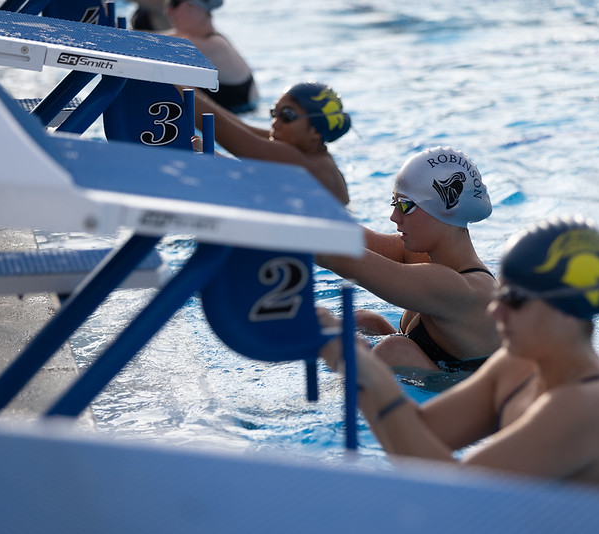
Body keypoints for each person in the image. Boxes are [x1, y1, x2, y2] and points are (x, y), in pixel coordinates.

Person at [319, 216, 599, 533]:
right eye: (501, 292)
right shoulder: (517, 364)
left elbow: (451, 500)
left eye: (515, 299)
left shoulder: (586, 407)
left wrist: (369, 375)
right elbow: (420, 437)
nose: (495, 309)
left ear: (566, 312)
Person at [317, 146, 498, 372]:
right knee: (363, 321)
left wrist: (279, 233)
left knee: (395, 349)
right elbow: (349, 237)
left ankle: (328, 399)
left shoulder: (463, 289)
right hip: (436, 371)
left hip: (463, 398)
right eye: (394, 204)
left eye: (404, 205)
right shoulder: (424, 258)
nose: (394, 217)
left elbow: (338, 257)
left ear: (445, 207)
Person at [193, 81, 352, 205]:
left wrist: (175, 86)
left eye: (287, 116)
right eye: (274, 113)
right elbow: (243, 129)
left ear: (316, 131)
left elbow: (225, 130)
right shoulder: (309, 152)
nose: (275, 123)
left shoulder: (307, 165)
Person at [162, 0, 259, 114]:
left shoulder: (215, 45)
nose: (167, 11)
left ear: (197, 9)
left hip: (244, 115)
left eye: (174, 4)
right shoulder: (197, 38)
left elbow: (150, 44)